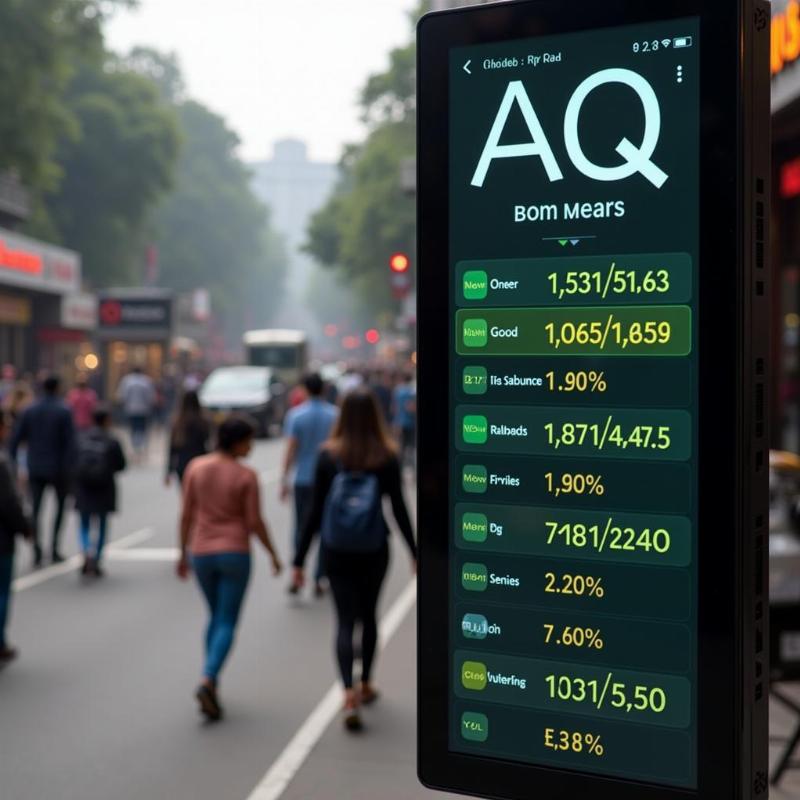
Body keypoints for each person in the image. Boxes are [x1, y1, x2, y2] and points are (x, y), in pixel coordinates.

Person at [292, 388, 416, 731]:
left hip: (336, 549)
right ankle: (366, 683)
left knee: (344, 621)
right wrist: (415, 552)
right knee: (370, 618)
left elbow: (314, 512)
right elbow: (400, 509)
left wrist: (299, 560)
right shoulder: (386, 456)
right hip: (374, 549)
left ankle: (347, 692)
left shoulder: (328, 456)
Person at [177, 415, 283, 721]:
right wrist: (273, 554)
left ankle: (211, 679)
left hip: (202, 553)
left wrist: (181, 553)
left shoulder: (196, 468)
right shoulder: (246, 476)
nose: (251, 446)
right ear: (236, 442)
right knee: (226, 620)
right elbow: (254, 522)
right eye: (248, 440)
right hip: (235, 553)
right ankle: (208, 678)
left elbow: (186, 515)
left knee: (215, 616)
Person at [280, 373, 338, 597]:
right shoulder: (335, 415)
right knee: (325, 528)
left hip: (303, 479)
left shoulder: (296, 415)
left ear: (304, 389)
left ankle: (298, 570)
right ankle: (320, 577)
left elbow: (291, 449)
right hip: (329, 480)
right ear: (323, 389)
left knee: (301, 527)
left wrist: (285, 478)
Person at [10, 375, 75, 567]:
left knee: (36, 510)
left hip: (36, 467)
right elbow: (71, 444)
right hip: (58, 468)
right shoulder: (63, 411)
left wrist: (14, 465)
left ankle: (37, 550)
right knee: (58, 510)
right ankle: (53, 549)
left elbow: (15, 440)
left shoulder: (30, 410)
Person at [74, 407, 126, 577]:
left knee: (84, 523)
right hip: (104, 487)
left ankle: (87, 550)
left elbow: (72, 460)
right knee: (102, 524)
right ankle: (96, 556)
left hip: (83, 487)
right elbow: (121, 465)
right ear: (106, 420)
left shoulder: (81, 438)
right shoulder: (111, 440)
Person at [0, 411, 31, 664]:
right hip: (1, 540)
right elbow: (9, 502)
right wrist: (25, 528)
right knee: (1, 592)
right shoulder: (2, 463)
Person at [165, 390, 211, 486]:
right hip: (200, 461)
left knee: (186, 495)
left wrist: (168, 471)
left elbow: (172, 449)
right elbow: (209, 444)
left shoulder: (178, 422)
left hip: (182, 464)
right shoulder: (203, 421)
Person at [117, 366, 155, 463]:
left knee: (133, 429)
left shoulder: (127, 381)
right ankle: (139, 448)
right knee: (142, 429)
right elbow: (150, 396)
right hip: (144, 410)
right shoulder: (146, 381)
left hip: (131, 409)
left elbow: (122, 396)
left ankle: (135, 447)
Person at [393, 370, 417, 472]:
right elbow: (411, 407)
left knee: (401, 446)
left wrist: (395, 422)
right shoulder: (412, 391)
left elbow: (394, 408)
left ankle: (400, 466)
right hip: (411, 423)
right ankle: (411, 467)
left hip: (400, 422)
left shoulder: (397, 390)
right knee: (411, 447)